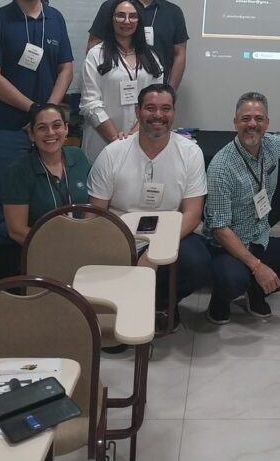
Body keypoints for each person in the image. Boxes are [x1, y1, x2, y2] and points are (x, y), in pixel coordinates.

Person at [0, 0, 74, 266]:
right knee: (7, 207)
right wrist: (34, 109)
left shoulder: (55, 19)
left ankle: (48, 268)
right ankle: (2, 278)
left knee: (47, 203)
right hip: (6, 130)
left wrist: (49, 113)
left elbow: (66, 69)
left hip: (47, 131)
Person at [87, 84, 211, 326]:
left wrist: (155, 254)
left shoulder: (190, 153)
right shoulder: (113, 153)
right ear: (137, 111)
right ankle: (125, 307)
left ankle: (159, 305)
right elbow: (96, 215)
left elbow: (193, 213)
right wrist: (121, 245)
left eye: (166, 108)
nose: (158, 115)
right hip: (120, 234)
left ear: (174, 112)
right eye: (150, 108)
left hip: (171, 232)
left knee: (198, 265)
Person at [203, 92, 280, 324]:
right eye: (246, 118)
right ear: (235, 122)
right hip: (226, 246)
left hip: (260, 237)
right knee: (232, 279)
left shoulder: (270, 145)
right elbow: (219, 229)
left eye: (259, 118)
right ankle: (220, 299)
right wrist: (257, 267)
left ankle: (257, 291)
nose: (252, 124)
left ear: (267, 123)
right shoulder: (221, 167)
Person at [0, 104, 90, 280]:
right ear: (31, 134)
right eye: (42, 128)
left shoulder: (78, 157)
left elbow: (92, 207)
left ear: (66, 129)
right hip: (37, 252)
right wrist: (59, 248)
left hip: (80, 248)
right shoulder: (18, 171)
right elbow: (16, 230)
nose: (51, 133)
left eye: (56, 125)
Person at [80, 0, 164, 162]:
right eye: (120, 15)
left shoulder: (151, 57)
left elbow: (157, 102)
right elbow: (90, 103)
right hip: (102, 141)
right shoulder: (96, 55)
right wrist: (116, 140)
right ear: (111, 19)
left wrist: (133, 135)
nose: (127, 21)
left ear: (139, 21)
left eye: (133, 16)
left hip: (141, 139)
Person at [87, 0, 189, 90]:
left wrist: (169, 92)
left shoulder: (174, 12)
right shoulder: (112, 7)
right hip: (113, 88)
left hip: (156, 92)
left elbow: (179, 55)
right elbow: (94, 45)